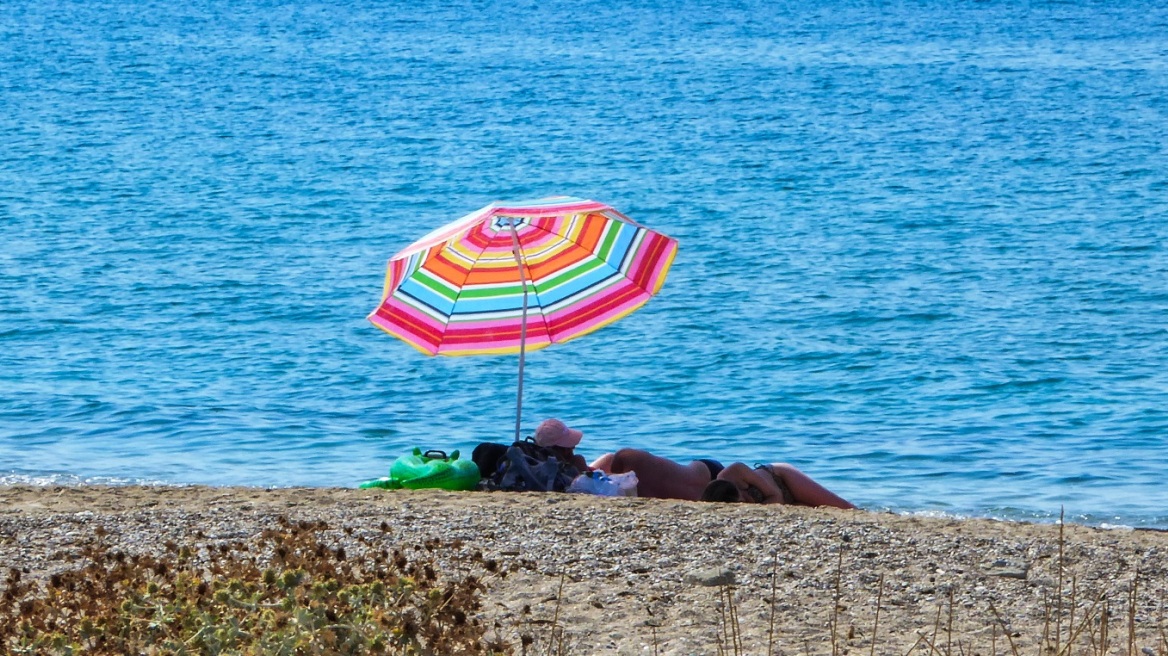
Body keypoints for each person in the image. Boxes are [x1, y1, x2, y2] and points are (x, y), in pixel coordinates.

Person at [591, 448, 853, 509]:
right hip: (784, 498)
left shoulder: (733, 473)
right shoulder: (722, 503)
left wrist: (769, 501)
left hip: (783, 478)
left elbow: (773, 495)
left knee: (848, 510)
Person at [700, 462, 854, 509]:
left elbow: (776, 494)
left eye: (745, 497)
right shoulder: (721, 502)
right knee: (819, 512)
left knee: (841, 506)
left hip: (782, 480)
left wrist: (756, 508)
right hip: (784, 504)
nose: (749, 501)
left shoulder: (736, 471)